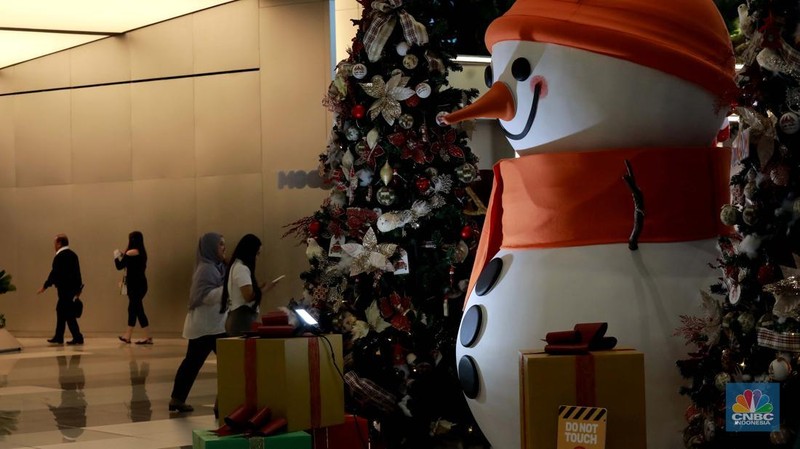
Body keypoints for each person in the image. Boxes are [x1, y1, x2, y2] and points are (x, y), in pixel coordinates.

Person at [169, 232, 227, 413]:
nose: (224, 247)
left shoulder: (216, 267)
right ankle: (221, 403)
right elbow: (205, 296)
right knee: (227, 363)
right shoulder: (207, 269)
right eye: (220, 244)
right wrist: (228, 289)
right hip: (207, 326)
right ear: (211, 248)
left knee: (192, 363)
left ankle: (177, 399)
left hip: (211, 325)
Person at [220, 234, 279, 337]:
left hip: (237, 318)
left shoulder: (235, 266)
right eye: (257, 254)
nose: (257, 258)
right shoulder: (242, 269)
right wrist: (265, 289)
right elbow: (248, 297)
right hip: (241, 320)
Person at [37, 234, 83, 345]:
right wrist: (78, 289)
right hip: (72, 289)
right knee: (61, 311)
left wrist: (45, 285)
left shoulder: (60, 256)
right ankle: (59, 336)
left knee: (67, 313)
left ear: (59, 243)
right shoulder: (73, 255)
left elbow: (54, 273)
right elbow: (78, 273)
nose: (54, 245)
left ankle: (77, 337)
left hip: (64, 289)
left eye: (55, 243)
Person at [114, 231, 152, 345]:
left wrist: (116, 255)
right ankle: (128, 335)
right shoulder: (141, 252)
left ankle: (146, 337)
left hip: (134, 286)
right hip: (140, 285)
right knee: (134, 309)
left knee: (137, 310)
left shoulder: (131, 252)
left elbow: (119, 266)